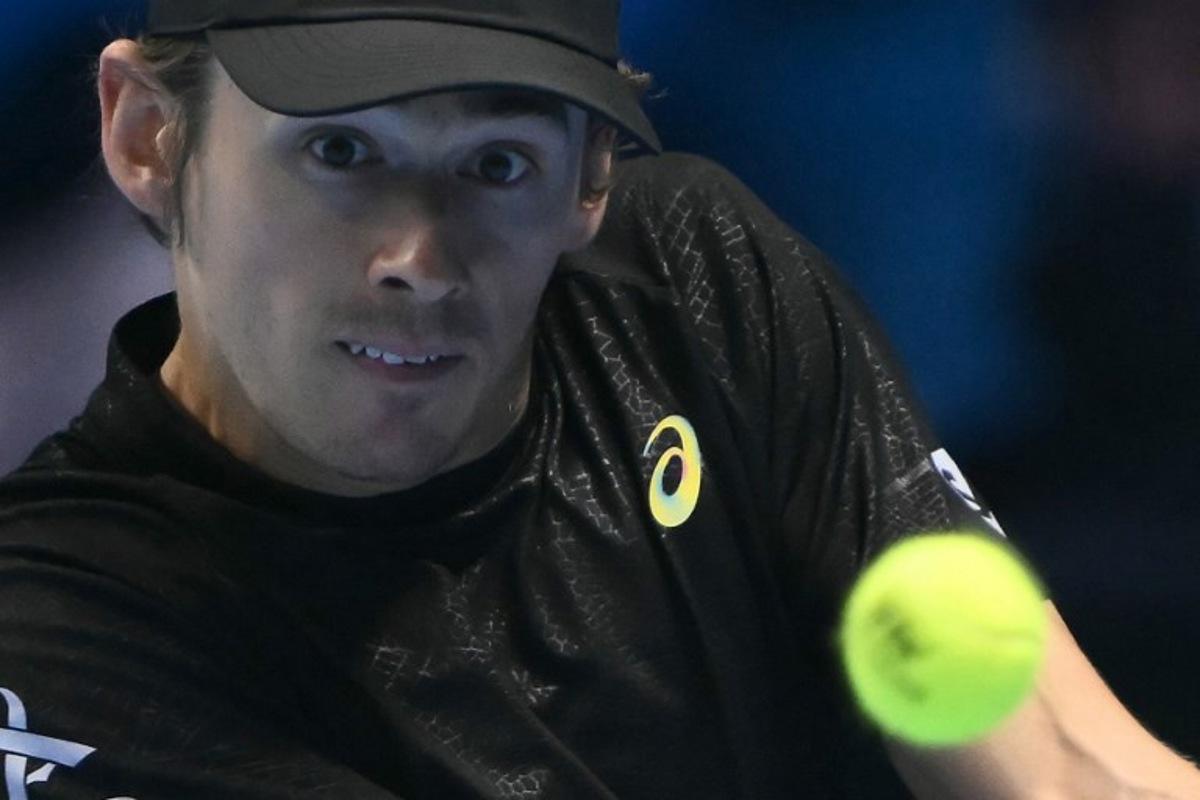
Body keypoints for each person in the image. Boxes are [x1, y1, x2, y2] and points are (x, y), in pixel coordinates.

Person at [0, 2, 1196, 798]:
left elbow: (1063, 760)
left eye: (501, 162)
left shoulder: (694, 286)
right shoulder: (50, 626)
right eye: (341, 154)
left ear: (590, 181)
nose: (422, 253)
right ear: (148, 136)